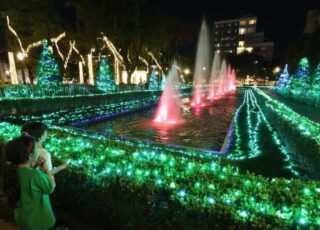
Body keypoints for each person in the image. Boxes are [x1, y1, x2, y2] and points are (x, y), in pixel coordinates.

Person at [3, 136, 56, 230]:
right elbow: (50, 187)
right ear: (30, 156)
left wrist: (35, 165)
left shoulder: (11, 171)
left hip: (23, 221)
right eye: (36, 149)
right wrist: (46, 168)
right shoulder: (35, 174)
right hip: (41, 223)